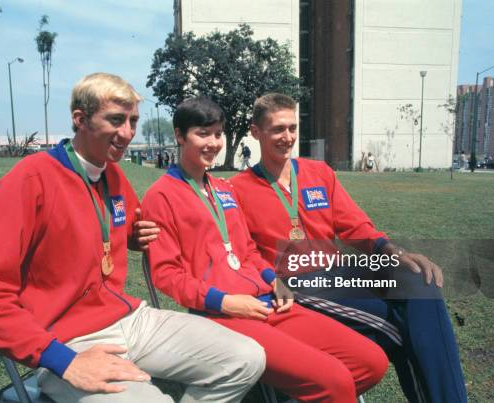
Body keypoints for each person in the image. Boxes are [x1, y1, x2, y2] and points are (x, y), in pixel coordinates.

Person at [0, 73, 266, 403]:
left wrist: (134, 235)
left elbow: (118, 224)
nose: (128, 133)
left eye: (132, 121)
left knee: (246, 358)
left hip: (129, 318)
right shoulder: (29, 180)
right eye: (116, 120)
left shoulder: (111, 173)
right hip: (66, 338)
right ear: (80, 119)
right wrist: (64, 362)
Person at [141, 97, 388, 403]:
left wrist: (274, 279)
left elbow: (247, 251)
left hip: (270, 302)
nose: (213, 143)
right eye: (202, 134)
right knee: (335, 380)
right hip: (223, 315)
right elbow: (166, 275)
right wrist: (227, 302)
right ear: (179, 136)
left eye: (218, 134)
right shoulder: (160, 196)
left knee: (371, 363)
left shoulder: (223, 189)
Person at [230, 93, 469, 403]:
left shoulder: (319, 173)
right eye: (277, 129)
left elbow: (354, 225)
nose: (287, 137)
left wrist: (392, 252)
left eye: (292, 128)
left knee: (419, 283)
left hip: (341, 276)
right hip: (296, 285)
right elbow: (237, 250)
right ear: (255, 132)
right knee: (398, 327)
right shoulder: (237, 189)